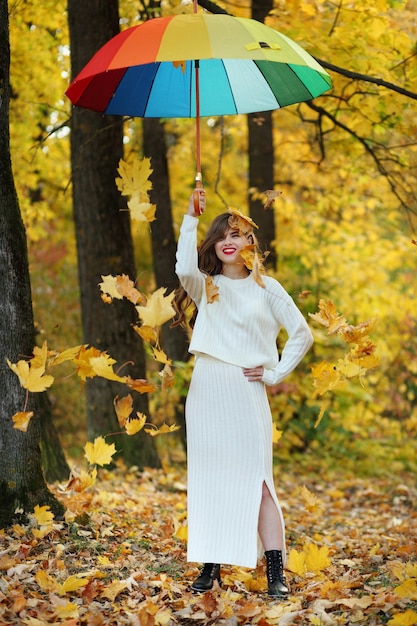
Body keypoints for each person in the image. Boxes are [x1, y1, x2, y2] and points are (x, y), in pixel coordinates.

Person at [174, 189, 313, 597]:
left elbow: (302, 334)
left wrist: (276, 373)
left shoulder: (267, 288)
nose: (229, 240)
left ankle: (276, 574)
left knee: (259, 481)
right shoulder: (207, 286)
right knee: (211, 478)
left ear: (251, 242)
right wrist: (190, 216)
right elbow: (184, 267)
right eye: (222, 235)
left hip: (248, 388)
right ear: (215, 246)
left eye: (237, 233)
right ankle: (210, 566)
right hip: (207, 387)